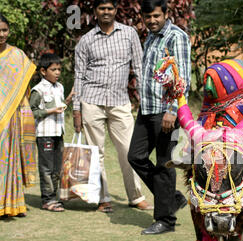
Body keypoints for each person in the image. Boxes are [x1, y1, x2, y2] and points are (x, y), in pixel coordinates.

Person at [73, 0, 152, 213]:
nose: (106, 12)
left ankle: (136, 197)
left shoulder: (129, 34)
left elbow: (140, 67)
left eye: (109, 8)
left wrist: (145, 101)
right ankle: (103, 198)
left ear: (115, 11)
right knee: (95, 153)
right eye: (102, 8)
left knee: (129, 151)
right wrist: (76, 109)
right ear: (96, 12)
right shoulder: (86, 40)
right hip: (91, 101)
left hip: (120, 102)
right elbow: (79, 76)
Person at [128, 0, 190, 235]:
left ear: (166, 13)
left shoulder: (177, 36)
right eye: (147, 17)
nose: (152, 21)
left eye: (156, 16)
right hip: (147, 109)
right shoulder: (152, 37)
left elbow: (183, 76)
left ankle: (165, 220)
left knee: (165, 163)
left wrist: (173, 110)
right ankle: (172, 198)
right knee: (135, 156)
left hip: (166, 112)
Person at [0, 14, 37, 219]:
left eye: (4, 30)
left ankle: (12, 205)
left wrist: (25, 114)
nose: (1, 34)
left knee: (10, 160)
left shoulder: (17, 56)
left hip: (11, 117)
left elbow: (23, 90)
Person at [30, 53, 73, 212]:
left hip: (58, 133)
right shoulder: (38, 90)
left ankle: (54, 197)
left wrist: (69, 99)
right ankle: (47, 200)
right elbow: (31, 112)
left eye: (59, 69)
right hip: (44, 134)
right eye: (53, 69)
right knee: (46, 168)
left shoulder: (60, 87)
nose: (57, 73)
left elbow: (60, 106)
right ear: (43, 71)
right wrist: (49, 111)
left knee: (57, 167)